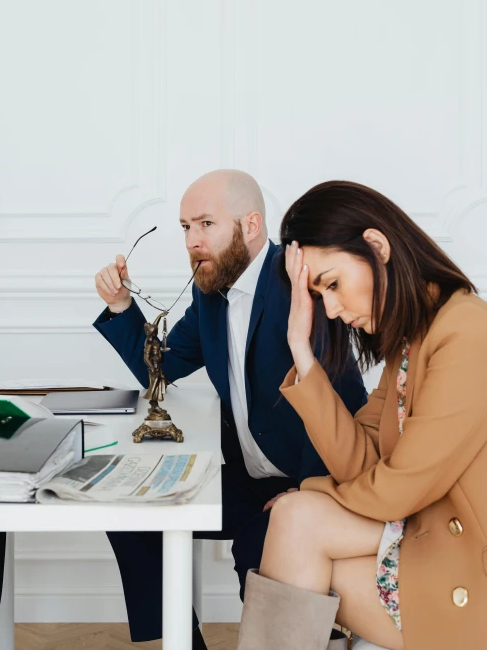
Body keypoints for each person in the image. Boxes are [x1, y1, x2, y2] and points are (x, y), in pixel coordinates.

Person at [236, 180, 487, 650]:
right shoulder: (411, 342)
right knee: (297, 532)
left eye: (332, 284)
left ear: (377, 247)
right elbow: (361, 462)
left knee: (296, 519)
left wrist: (311, 490)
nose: (332, 308)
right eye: (318, 295)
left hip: (483, 577)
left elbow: (397, 491)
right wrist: (300, 350)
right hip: (433, 546)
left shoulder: (470, 331)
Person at [93, 170, 367, 649]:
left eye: (205, 224)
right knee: (131, 513)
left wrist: (308, 496)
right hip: (246, 477)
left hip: (314, 483)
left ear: (252, 225)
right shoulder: (210, 293)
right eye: (185, 228)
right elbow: (162, 368)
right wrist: (120, 306)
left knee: (259, 552)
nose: (192, 241)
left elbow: (340, 399)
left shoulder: (302, 283)